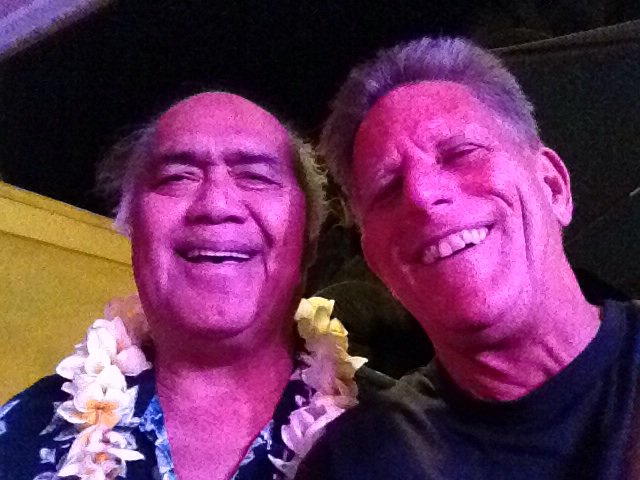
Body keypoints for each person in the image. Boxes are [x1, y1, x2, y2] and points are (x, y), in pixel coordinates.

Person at [296, 36, 640, 479]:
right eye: (387, 187)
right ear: (379, 264)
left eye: (461, 153)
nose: (421, 195)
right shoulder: (356, 463)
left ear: (553, 186)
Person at [0, 92, 368, 480]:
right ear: (131, 226)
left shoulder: (393, 436)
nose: (216, 205)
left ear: (309, 237)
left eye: (256, 177)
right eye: (177, 177)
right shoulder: (21, 436)